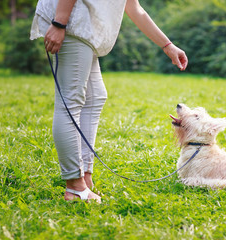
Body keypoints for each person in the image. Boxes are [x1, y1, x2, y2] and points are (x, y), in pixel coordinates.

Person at [30, 0, 188, 203]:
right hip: (72, 21)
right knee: (71, 101)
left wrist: (167, 46)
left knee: (95, 97)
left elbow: (134, 8)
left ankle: (85, 177)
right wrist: (59, 23)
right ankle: (75, 187)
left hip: (85, 27)